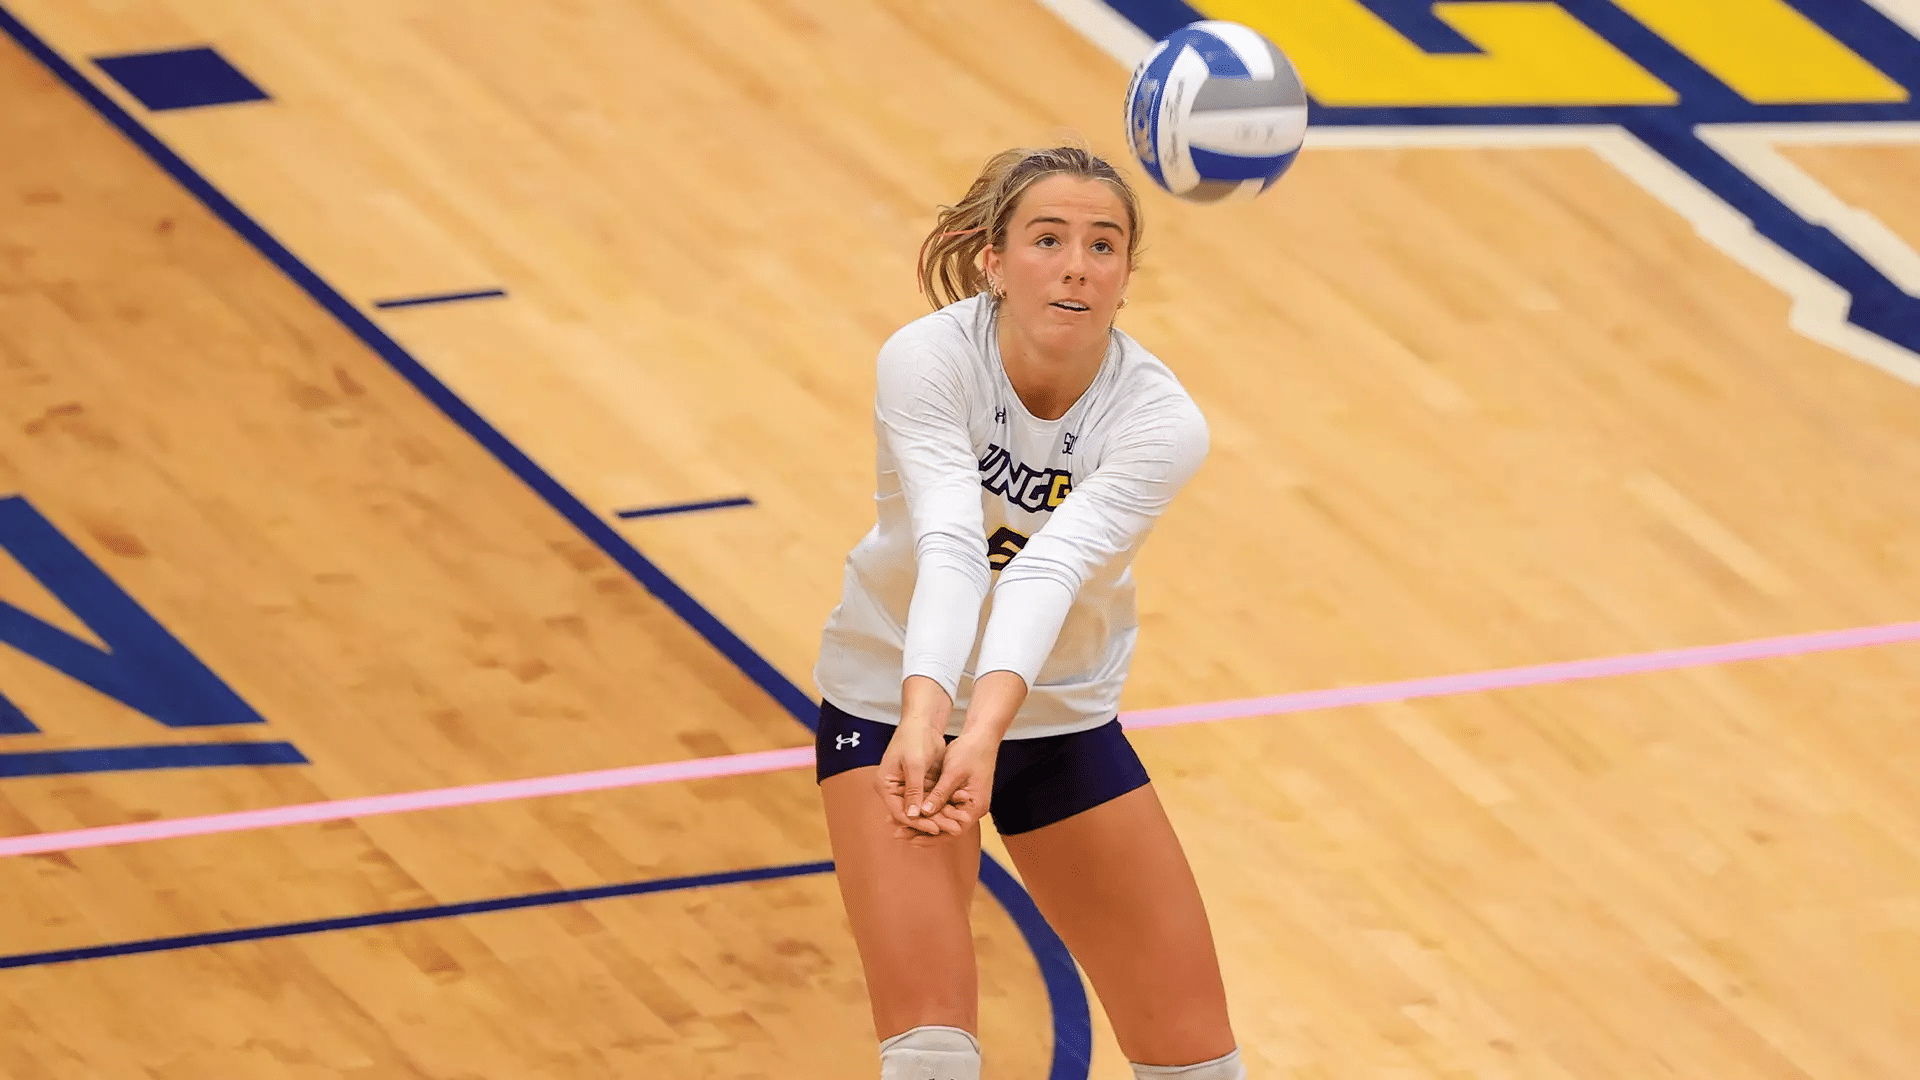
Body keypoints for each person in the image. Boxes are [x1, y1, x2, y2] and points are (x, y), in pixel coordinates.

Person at [813, 145, 1243, 1080]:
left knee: (1199, 1067)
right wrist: (931, 722)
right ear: (994, 263)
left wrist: (985, 735)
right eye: (1048, 240)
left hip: (1057, 716)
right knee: (931, 1057)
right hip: (890, 698)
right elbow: (953, 551)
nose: (1078, 264)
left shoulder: (1160, 422)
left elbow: (1046, 574)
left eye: (1104, 245)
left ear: (1128, 278)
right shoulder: (927, 359)